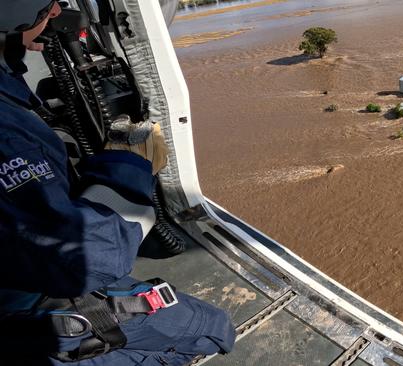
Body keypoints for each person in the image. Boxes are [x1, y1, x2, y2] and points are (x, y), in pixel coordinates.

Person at [0, 1, 235, 365]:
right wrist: (130, 161)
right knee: (214, 329)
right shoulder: (6, 127)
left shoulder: (10, 93)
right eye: (46, 7)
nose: (57, 12)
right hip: (36, 315)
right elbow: (89, 256)